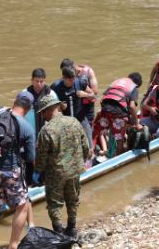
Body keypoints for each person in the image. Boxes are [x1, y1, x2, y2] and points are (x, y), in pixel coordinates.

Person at [0, 97, 36, 249]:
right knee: (22, 206)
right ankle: (13, 244)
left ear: (14, 105)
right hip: (10, 171)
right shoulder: (26, 127)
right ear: (27, 110)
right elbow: (31, 157)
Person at [35, 95, 90, 238]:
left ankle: (58, 233)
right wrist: (80, 162)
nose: (41, 115)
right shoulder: (74, 122)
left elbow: (41, 157)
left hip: (56, 173)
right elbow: (86, 147)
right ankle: (72, 229)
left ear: (48, 110)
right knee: (73, 200)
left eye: (42, 112)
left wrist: (37, 172)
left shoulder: (46, 130)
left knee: (54, 203)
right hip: (75, 170)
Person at [17, 68, 58, 186]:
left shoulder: (51, 94)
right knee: (30, 157)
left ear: (45, 81)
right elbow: (20, 114)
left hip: (47, 130)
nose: (39, 84)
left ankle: (45, 180)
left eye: (41, 81)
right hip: (30, 131)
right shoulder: (25, 94)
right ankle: (30, 181)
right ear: (31, 80)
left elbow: (56, 114)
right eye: (36, 81)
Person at [92, 72, 143, 155]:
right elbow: (132, 106)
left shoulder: (116, 82)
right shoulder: (133, 88)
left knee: (95, 132)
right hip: (118, 114)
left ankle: (90, 151)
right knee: (119, 140)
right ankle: (119, 155)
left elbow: (103, 98)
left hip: (105, 109)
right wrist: (137, 124)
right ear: (137, 84)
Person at [51, 66, 94, 147]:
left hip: (81, 119)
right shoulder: (56, 87)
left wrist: (85, 94)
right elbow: (50, 106)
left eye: (74, 79)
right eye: (70, 80)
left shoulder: (80, 83)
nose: (73, 81)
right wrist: (60, 107)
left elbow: (93, 96)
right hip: (65, 123)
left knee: (90, 146)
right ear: (63, 78)